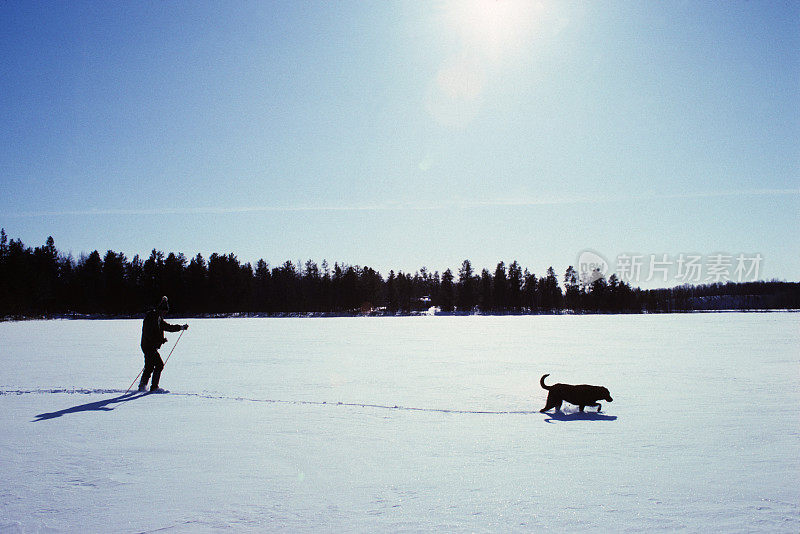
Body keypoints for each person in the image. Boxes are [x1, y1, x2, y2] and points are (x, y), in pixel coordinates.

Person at [139, 296, 188, 392]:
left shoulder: (158, 317)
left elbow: (167, 327)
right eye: (164, 311)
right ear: (160, 309)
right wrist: (159, 340)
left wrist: (181, 327)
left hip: (149, 345)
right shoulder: (152, 317)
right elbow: (149, 333)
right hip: (148, 346)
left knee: (149, 367)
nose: (165, 313)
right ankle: (153, 387)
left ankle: (143, 386)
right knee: (159, 365)